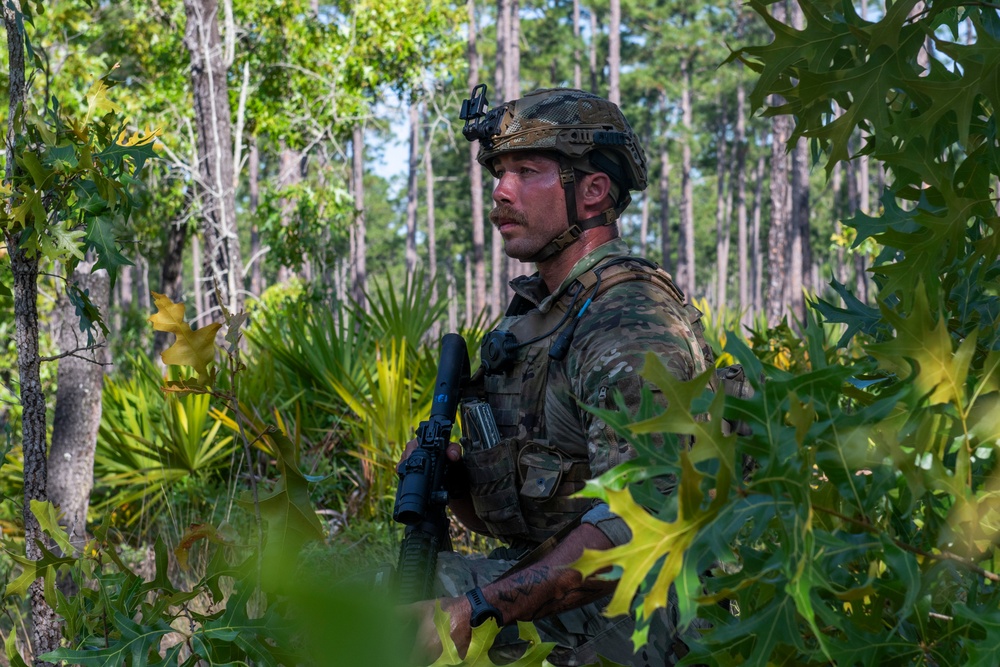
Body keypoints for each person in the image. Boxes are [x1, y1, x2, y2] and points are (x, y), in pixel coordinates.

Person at [404, 87, 714, 667]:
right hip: (585, 597)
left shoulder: (626, 321)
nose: (501, 189)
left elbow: (638, 526)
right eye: (498, 171)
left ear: (593, 191)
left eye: (526, 170)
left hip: (656, 613)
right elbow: (528, 518)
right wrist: (456, 485)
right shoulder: (541, 318)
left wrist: (477, 608)